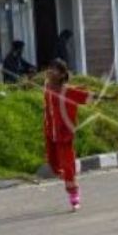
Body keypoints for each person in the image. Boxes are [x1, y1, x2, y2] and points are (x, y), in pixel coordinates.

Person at [43, 59, 90, 211]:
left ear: (62, 74)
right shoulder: (47, 87)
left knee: (67, 164)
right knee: (53, 163)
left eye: (55, 70)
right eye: (49, 68)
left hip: (64, 134)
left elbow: (85, 96)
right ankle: (67, 179)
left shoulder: (67, 91)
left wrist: (108, 97)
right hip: (51, 132)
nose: (50, 71)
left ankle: (73, 194)